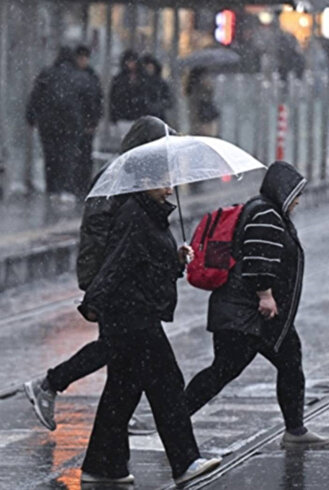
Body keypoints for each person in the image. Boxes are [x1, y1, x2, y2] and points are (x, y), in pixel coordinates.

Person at [24, 117, 177, 434]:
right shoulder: (118, 178)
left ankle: (113, 410)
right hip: (114, 281)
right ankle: (50, 384)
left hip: (121, 279)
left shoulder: (133, 177)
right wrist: (96, 284)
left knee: (121, 349)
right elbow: (98, 233)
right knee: (118, 347)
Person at [75, 153, 220, 485]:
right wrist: (93, 301)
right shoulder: (136, 216)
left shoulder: (150, 214)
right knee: (167, 386)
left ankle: (102, 465)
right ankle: (185, 461)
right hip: (134, 316)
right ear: (145, 183)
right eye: (165, 183)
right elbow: (118, 263)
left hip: (137, 314)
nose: (170, 190)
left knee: (122, 392)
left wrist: (176, 258)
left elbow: (147, 263)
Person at [173, 162, 329, 447]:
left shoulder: (262, 210)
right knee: (227, 369)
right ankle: (174, 420)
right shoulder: (266, 215)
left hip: (246, 314)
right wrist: (265, 295)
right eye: (296, 193)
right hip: (249, 314)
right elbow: (259, 258)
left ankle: (295, 429)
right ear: (283, 190)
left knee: (280, 361)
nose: (298, 200)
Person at [26, 46, 95, 202]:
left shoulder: (46, 74)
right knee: (68, 155)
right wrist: (89, 121)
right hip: (71, 123)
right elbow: (89, 101)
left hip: (48, 123)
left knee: (51, 156)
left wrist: (31, 117)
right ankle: (66, 189)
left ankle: (52, 188)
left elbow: (35, 97)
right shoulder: (80, 76)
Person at [74, 45, 104, 199]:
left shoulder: (91, 76)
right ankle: (78, 185)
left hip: (86, 123)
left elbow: (97, 100)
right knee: (78, 155)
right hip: (76, 123)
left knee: (85, 155)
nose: (83, 60)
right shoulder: (84, 76)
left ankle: (83, 184)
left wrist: (93, 120)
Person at [109, 50, 149, 140]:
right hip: (123, 117)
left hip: (139, 116)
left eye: (133, 61)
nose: (131, 64)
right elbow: (113, 99)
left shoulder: (143, 79)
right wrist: (114, 118)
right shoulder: (119, 79)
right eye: (129, 61)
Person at [185, 67, 219, 136]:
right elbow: (204, 102)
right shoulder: (199, 90)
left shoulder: (193, 89)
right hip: (202, 121)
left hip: (200, 122)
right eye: (206, 76)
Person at [141, 54, 172, 122]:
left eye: (150, 67)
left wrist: (157, 106)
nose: (149, 70)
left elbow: (169, 100)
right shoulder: (141, 82)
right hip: (144, 117)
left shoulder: (161, 83)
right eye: (147, 67)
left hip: (159, 117)